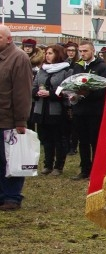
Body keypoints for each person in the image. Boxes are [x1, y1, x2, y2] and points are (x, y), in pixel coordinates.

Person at [1, 25, 34, 210]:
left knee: (11, 159)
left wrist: (21, 120)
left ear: (9, 39)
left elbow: (22, 92)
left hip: (9, 119)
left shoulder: (19, 58)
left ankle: (12, 197)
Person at [31, 44, 74, 176]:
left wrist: (50, 93)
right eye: (46, 53)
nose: (47, 55)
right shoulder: (42, 70)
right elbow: (33, 86)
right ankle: (47, 165)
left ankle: (58, 166)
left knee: (59, 138)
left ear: (58, 54)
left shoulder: (67, 70)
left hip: (57, 110)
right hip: (41, 109)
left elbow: (67, 90)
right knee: (46, 138)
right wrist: (37, 92)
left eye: (50, 53)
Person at [71, 41, 106, 180]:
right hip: (79, 110)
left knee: (94, 141)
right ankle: (85, 169)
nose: (83, 54)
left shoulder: (102, 67)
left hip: (95, 111)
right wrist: (72, 94)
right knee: (83, 141)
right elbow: (73, 83)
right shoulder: (78, 66)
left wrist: (85, 93)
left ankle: (96, 169)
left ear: (93, 51)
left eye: (85, 51)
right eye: (80, 51)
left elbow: (103, 89)